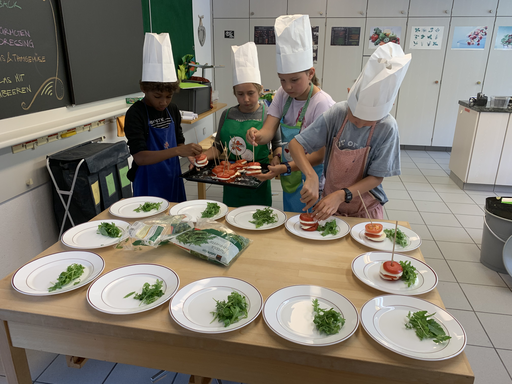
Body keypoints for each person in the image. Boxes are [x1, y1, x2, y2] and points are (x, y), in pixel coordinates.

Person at [288, 42, 412, 220]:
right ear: (349, 93)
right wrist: (310, 175)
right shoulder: (338, 113)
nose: (359, 124)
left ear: (388, 108)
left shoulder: (388, 127)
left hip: (365, 208)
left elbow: (376, 177)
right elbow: (295, 145)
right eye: (355, 116)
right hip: (330, 206)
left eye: (368, 121)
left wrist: (341, 195)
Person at [246, 14, 335, 213]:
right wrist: (257, 135)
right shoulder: (282, 95)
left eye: (294, 80)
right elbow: (268, 130)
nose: (287, 87)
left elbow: (320, 155)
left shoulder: (322, 104)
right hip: (290, 176)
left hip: (314, 176)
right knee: (292, 220)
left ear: (310, 73)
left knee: (312, 225)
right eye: (282, 80)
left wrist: (287, 167)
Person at [200, 42, 280, 207]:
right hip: (231, 176)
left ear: (260, 90)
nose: (246, 99)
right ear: (234, 93)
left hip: (259, 177)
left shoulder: (269, 114)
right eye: (240, 94)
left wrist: (277, 158)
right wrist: (202, 157)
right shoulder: (227, 114)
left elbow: (277, 144)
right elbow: (218, 147)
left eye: (251, 93)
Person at [125, 33, 202, 202]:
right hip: (148, 182)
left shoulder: (172, 109)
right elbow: (140, 157)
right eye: (158, 96)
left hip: (172, 177)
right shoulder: (136, 113)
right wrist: (177, 150)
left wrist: (189, 153)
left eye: (169, 96)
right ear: (145, 89)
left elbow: (178, 140)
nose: (163, 103)